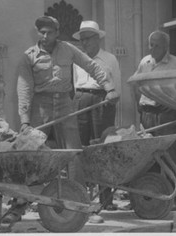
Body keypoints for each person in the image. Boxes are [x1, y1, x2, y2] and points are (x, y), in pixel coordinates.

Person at [11, 15, 118, 225]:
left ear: (57, 33)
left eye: (49, 32)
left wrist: (109, 87)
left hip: (65, 106)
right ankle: (18, 206)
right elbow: (23, 88)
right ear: (37, 32)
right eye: (41, 32)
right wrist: (24, 120)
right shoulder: (29, 56)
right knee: (31, 154)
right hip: (40, 108)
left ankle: (81, 207)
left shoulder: (68, 49)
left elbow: (92, 66)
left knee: (73, 154)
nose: (45, 36)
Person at [132, 30, 176, 210]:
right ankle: (152, 195)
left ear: (166, 47)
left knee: (172, 156)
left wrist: (175, 105)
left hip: (168, 113)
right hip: (148, 113)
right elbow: (135, 83)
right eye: (151, 44)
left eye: (157, 45)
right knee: (149, 156)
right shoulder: (145, 62)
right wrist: (139, 105)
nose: (152, 48)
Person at [73, 20, 121, 211]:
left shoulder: (110, 59)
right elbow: (74, 83)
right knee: (80, 147)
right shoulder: (77, 60)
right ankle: (80, 197)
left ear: (98, 38)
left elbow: (116, 88)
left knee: (102, 147)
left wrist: (110, 98)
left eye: (88, 39)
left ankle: (106, 198)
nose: (84, 43)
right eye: (82, 40)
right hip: (81, 99)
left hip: (102, 101)